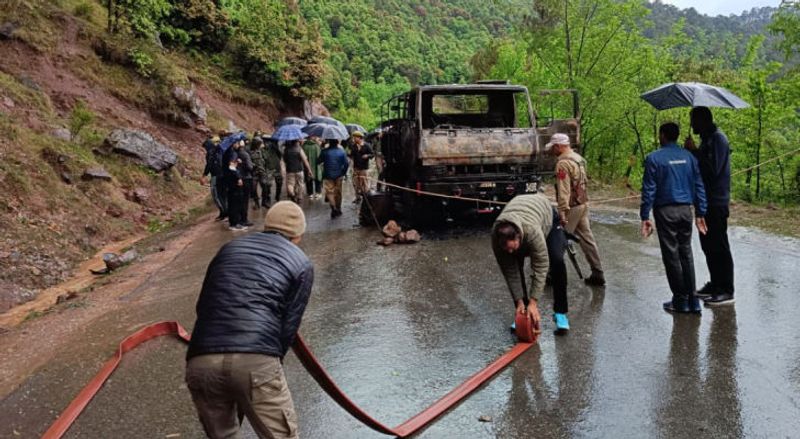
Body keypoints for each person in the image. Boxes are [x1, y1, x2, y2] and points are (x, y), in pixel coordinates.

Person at [186, 201, 313, 439]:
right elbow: (288, 327)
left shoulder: (229, 249)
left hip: (200, 360)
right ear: (298, 235)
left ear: (267, 226)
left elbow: (204, 306)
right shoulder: (300, 262)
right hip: (256, 359)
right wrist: (263, 374)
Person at [641, 122, 708, 314]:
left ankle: (680, 300)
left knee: (671, 255)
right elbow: (699, 185)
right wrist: (700, 212)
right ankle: (693, 300)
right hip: (686, 211)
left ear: (662, 135)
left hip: (665, 211)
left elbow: (649, 189)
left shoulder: (654, 158)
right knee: (686, 253)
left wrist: (645, 215)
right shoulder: (689, 157)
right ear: (677, 136)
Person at [492, 193, 570, 335]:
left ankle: (560, 312)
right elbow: (510, 271)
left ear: (519, 237)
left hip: (547, 218)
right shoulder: (496, 238)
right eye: (506, 248)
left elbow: (540, 266)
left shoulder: (531, 231)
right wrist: (520, 302)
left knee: (557, 260)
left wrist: (534, 302)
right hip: (521, 211)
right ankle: (523, 312)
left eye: (512, 247)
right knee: (514, 263)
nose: (509, 251)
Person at [684, 106, 735, 306]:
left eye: (693, 120)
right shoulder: (707, 139)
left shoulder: (718, 139)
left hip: (717, 201)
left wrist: (694, 151)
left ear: (703, 120)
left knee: (719, 245)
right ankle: (715, 283)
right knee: (708, 245)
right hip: (704, 201)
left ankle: (726, 289)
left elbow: (712, 170)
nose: (692, 125)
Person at [547, 133, 606, 286]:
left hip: (572, 207)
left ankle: (553, 275)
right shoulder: (579, 159)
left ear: (558, 146)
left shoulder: (563, 164)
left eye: (553, 147)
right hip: (582, 204)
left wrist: (562, 211)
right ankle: (597, 272)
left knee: (557, 240)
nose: (552, 151)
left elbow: (564, 190)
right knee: (587, 239)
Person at [318, 139, 349, 218]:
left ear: (329, 143)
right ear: (337, 143)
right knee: (338, 192)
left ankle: (333, 207)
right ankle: (338, 209)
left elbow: (318, 161)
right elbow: (346, 163)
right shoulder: (342, 152)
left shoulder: (324, 151)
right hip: (339, 174)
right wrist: (344, 173)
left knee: (330, 192)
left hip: (327, 175)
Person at [201, 135, 226, 220]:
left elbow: (209, 165)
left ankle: (223, 213)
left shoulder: (210, 153)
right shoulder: (219, 151)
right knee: (223, 195)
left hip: (215, 176)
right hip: (223, 175)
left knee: (216, 195)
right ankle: (225, 211)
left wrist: (204, 175)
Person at [282, 139, 313, 204]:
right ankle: (299, 197)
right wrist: (309, 170)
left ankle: (292, 195)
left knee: (290, 184)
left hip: (290, 170)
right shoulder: (299, 149)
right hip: (299, 169)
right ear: (297, 142)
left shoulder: (286, 150)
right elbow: (305, 160)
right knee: (300, 184)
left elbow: (284, 160)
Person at [223, 151, 247, 231]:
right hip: (234, 183)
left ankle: (234, 222)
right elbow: (231, 166)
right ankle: (234, 223)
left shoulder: (226, 153)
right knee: (235, 204)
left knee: (233, 203)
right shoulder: (232, 153)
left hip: (229, 182)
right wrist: (238, 177)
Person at [349, 131, 373, 203]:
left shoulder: (367, 145)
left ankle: (366, 198)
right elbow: (351, 155)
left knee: (365, 183)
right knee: (356, 183)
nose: (354, 139)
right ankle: (357, 198)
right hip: (356, 167)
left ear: (359, 138)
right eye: (354, 137)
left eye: (355, 137)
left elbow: (372, 154)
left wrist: (367, 156)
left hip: (364, 168)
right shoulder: (354, 146)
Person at [236, 140, 255, 227]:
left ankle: (240, 218)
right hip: (246, 178)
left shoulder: (235, 154)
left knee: (240, 200)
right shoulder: (245, 154)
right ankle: (244, 219)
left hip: (238, 178)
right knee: (245, 200)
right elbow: (249, 167)